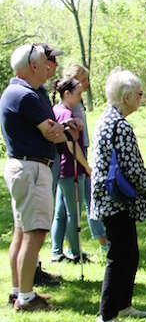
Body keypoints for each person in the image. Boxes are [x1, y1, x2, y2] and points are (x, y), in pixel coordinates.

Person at [89, 69, 146, 322]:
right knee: (119, 256)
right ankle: (106, 317)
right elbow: (131, 167)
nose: (142, 98)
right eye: (140, 94)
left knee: (130, 253)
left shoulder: (107, 119)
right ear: (127, 96)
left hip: (112, 199)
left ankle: (123, 304)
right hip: (116, 200)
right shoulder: (120, 125)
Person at [1, 43, 68, 311]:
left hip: (24, 167)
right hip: (31, 168)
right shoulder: (25, 95)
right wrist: (59, 129)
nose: (49, 67)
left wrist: (57, 129)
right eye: (43, 62)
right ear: (33, 66)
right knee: (35, 232)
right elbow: (50, 132)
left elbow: (53, 129)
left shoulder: (21, 92)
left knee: (22, 230)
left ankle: (19, 290)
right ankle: (26, 298)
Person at [58, 63, 107, 251]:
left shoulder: (75, 103)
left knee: (68, 206)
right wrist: (86, 165)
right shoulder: (70, 107)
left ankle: (63, 247)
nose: (87, 84)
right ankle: (83, 246)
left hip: (80, 154)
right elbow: (72, 140)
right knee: (80, 205)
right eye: (84, 80)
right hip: (74, 159)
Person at [50, 77, 93, 263]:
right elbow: (71, 145)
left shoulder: (61, 111)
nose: (80, 98)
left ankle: (56, 251)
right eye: (78, 94)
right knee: (73, 212)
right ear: (66, 94)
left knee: (60, 211)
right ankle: (76, 252)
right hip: (70, 168)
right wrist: (86, 166)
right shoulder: (64, 113)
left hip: (64, 170)